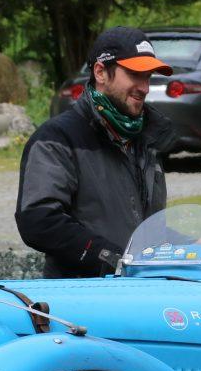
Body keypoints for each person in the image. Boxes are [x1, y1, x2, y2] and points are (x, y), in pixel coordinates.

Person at [16, 27, 176, 278]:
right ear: (100, 72)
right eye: (135, 74)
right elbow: (39, 220)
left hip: (140, 289)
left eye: (148, 77)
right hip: (82, 294)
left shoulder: (144, 140)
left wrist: (196, 245)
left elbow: (144, 228)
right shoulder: (56, 139)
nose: (144, 87)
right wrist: (108, 258)